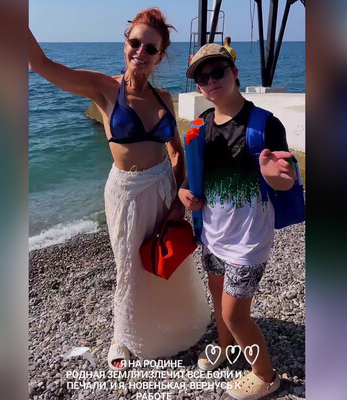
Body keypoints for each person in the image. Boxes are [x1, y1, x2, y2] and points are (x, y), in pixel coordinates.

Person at [29, 8, 210, 370]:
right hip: (126, 193)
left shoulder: (163, 97)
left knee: (166, 257)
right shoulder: (104, 88)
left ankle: (176, 327)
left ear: (160, 55)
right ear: (126, 42)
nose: (140, 52)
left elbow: (177, 151)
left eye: (150, 48)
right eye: (135, 43)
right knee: (130, 266)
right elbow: (41, 65)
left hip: (163, 187)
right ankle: (123, 337)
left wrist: (178, 195)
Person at [179, 43, 296, 399]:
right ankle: (225, 345)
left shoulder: (265, 125)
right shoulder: (200, 126)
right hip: (212, 235)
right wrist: (184, 195)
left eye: (218, 72)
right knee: (218, 299)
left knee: (235, 314)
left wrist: (274, 175)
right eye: (203, 78)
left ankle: (265, 375)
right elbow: (191, 179)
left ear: (234, 72)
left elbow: (286, 179)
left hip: (249, 241)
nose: (211, 81)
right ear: (199, 87)